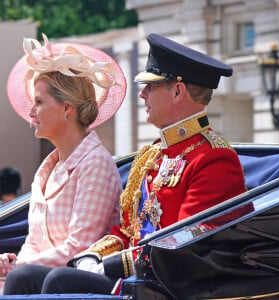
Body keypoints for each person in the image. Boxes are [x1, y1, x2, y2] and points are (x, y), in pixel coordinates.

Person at [4, 33, 247, 295]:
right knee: (26, 279)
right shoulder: (151, 156)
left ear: (178, 91)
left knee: (60, 282)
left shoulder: (214, 159)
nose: (142, 94)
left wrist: (110, 266)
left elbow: (182, 245)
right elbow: (125, 230)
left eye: (152, 86)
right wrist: (95, 255)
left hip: (170, 286)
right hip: (137, 280)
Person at [1, 34, 126, 292]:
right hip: (41, 277)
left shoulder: (95, 164)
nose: (31, 112)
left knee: (19, 279)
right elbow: (34, 242)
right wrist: (14, 261)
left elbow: (80, 247)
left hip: (80, 281)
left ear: (67, 109)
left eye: (38, 102)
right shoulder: (47, 169)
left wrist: (20, 266)